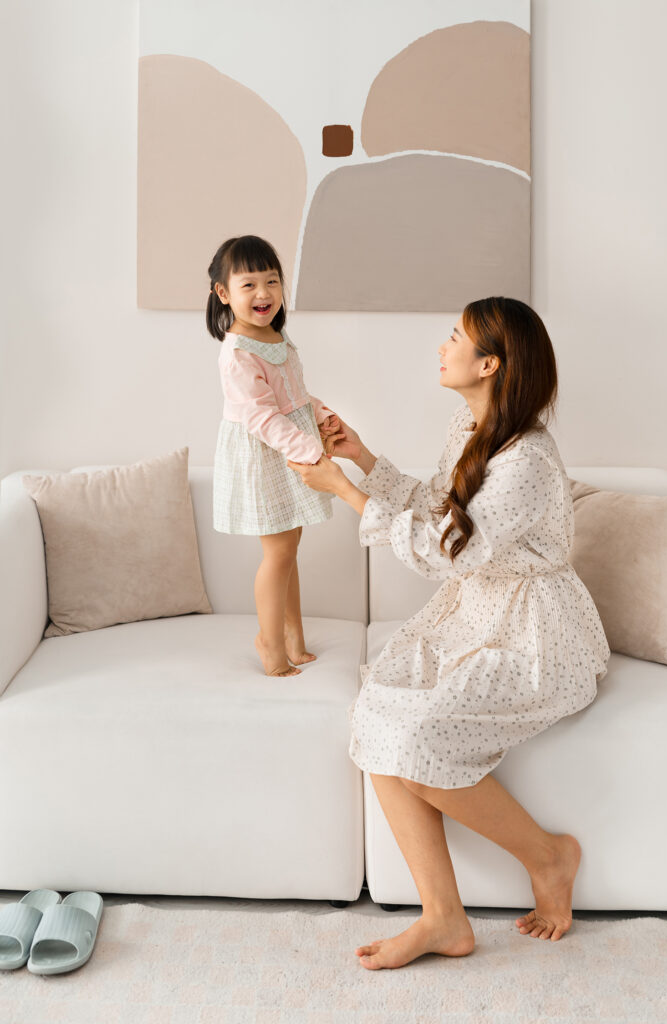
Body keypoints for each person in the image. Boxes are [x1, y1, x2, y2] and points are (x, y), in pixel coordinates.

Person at [288, 296, 610, 970]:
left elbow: (447, 550)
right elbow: (443, 502)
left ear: (488, 362)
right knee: (376, 709)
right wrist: (363, 460)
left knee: (422, 733)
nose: (442, 347)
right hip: (474, 615)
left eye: (454, 338)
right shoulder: (470, 424)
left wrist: (345, 492)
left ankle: (549, 855)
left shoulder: (527, 460)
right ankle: (443, 918)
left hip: (534, 635)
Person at [207, 235, 345, 677]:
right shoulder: (238, 352)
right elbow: (262, 418)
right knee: (279, 552)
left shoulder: (275, 336)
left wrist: (321, 415)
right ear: (224, 294)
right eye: (249, 285)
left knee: (289, 548)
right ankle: (269, 643)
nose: (263, 293)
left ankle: (293, 638)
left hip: (288, 446)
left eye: (271, 281)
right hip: (267, 454)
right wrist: (310, 452)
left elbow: (294, 397)